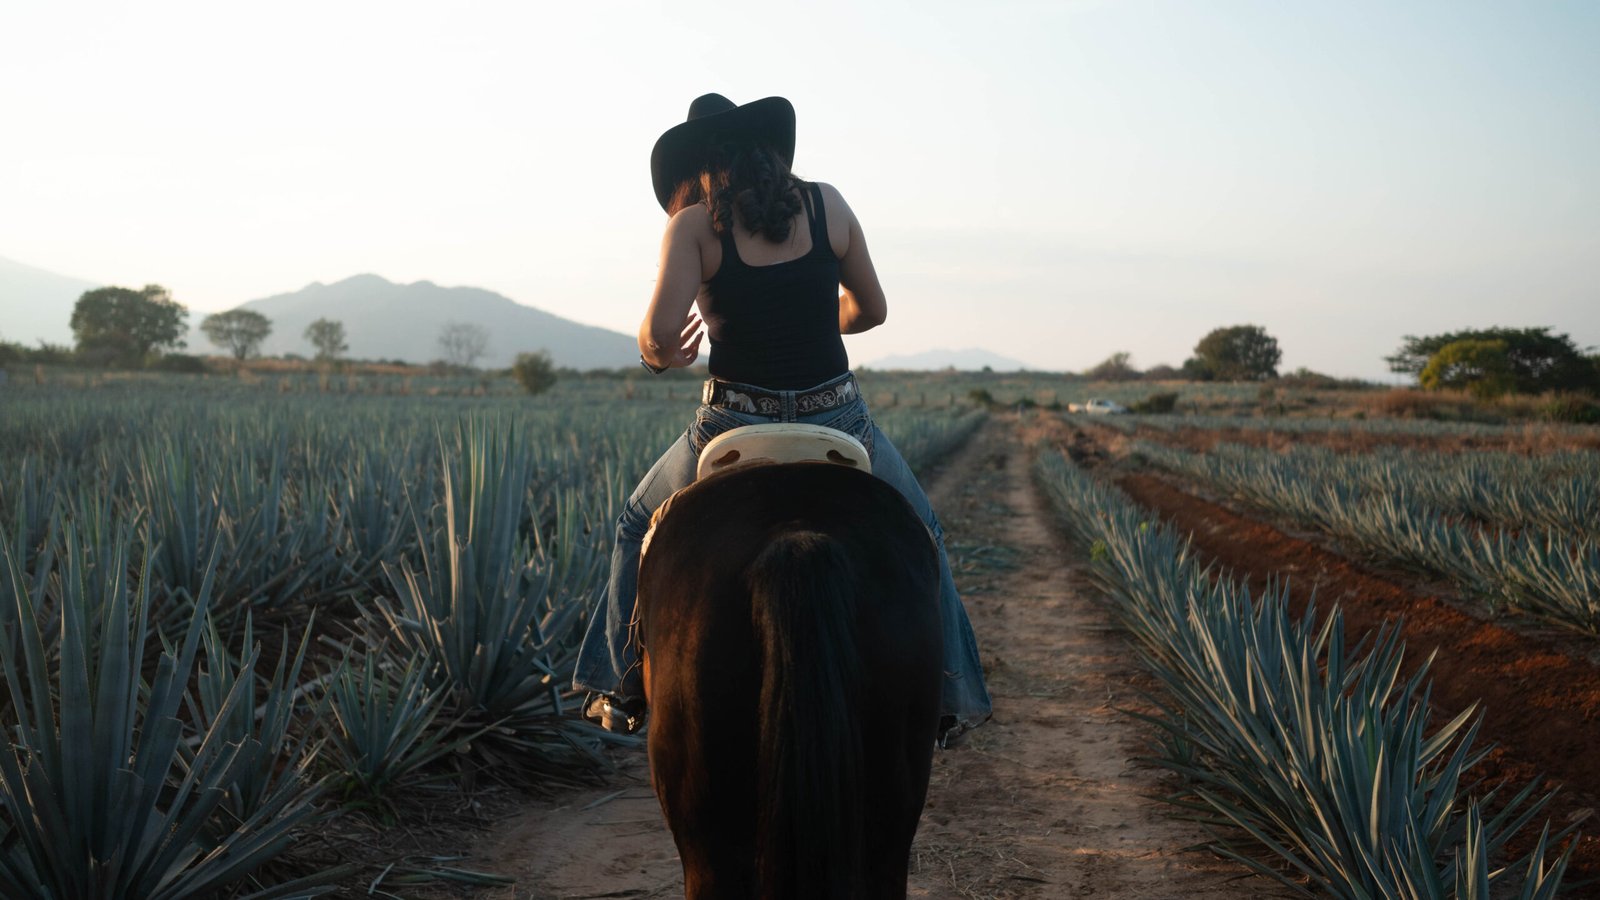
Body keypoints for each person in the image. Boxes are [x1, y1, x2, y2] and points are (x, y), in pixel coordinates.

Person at [572, 93, 991, 746]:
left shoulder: (691, 226)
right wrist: (823, 316)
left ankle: (620, 688)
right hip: (838, 417)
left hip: (732, 424)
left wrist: (661, 352)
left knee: (634, 524)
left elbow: (659, 340)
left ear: (701, 164)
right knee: (923, 530)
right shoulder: (827, 205)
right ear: (769, 150)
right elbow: (872, 310)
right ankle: (949, 695)